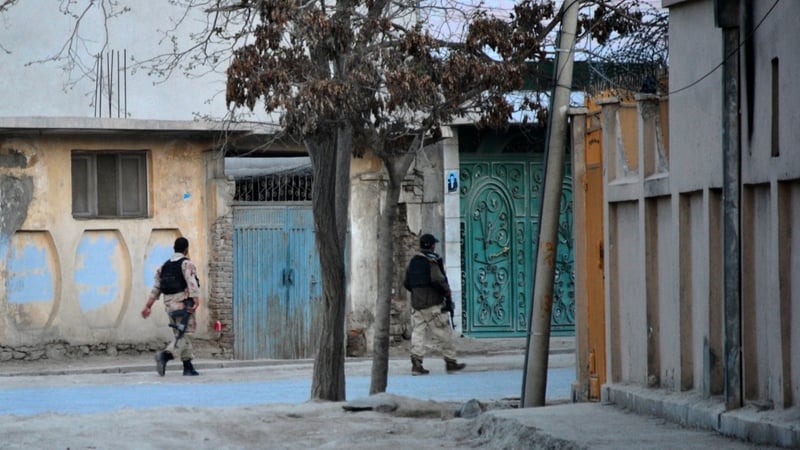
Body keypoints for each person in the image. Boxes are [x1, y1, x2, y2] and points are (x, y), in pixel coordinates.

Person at [403, 233, 466, 375]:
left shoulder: (413, 261)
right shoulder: (431, 262)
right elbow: (439, 280)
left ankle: (416, 365)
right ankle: (450, 362)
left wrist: (417, 293)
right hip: (433, 305)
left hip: (417, 304)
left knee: (418, 334)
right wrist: (446, 293)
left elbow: (406, 282)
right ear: (431, 246)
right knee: (443, 333)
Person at [141, 237, 201, 376]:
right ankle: (165, 356)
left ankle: (188, 367)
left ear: (174, 248)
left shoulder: (164, 267)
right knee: (185, 335)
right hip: (184, 304)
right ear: (186, 249)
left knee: (181, 335)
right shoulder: (186, 264)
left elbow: (157, 288)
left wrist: (148, 306)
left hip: (169, 306)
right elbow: (191, 282)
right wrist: (196, 300)